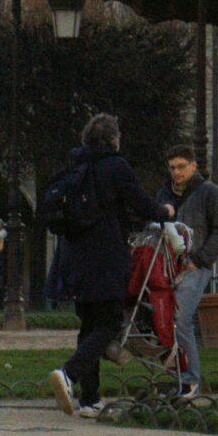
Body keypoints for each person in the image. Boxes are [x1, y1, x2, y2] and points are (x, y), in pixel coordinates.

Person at [45, 113, 160, 416]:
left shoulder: (76, 167)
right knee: (108, 324)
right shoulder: (115, 166)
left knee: (89, 327)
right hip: (106, 258)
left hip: (73, 259)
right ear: (113, 139)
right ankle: (68, 375)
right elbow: (140, 201)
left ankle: (90, 399)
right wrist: (165, 211)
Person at [158, 142, 218, 400]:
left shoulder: (210, 193)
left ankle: (190, 380)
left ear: (193, 166)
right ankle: (177, 376)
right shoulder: (164, 194)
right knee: (162, 320)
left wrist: (198, 260)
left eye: (180, 167)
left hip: (194, 265)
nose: (176, 173)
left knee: (181, 319)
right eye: (172, 168)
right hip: (166, 266)